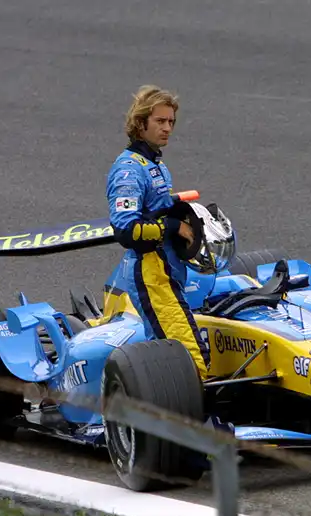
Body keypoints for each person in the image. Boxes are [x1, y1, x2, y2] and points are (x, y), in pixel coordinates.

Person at [105, 85, 212, 380]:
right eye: (160, 122)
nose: (168, 129)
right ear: (141, 124)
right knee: (189, 359)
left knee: (169, 353)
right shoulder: (128, 170)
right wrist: (176, 226)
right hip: (151, 271)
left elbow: (155, 207)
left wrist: (179, 206)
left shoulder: (155, 164)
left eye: (171, 122)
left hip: (168, 268)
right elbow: (126, 230)